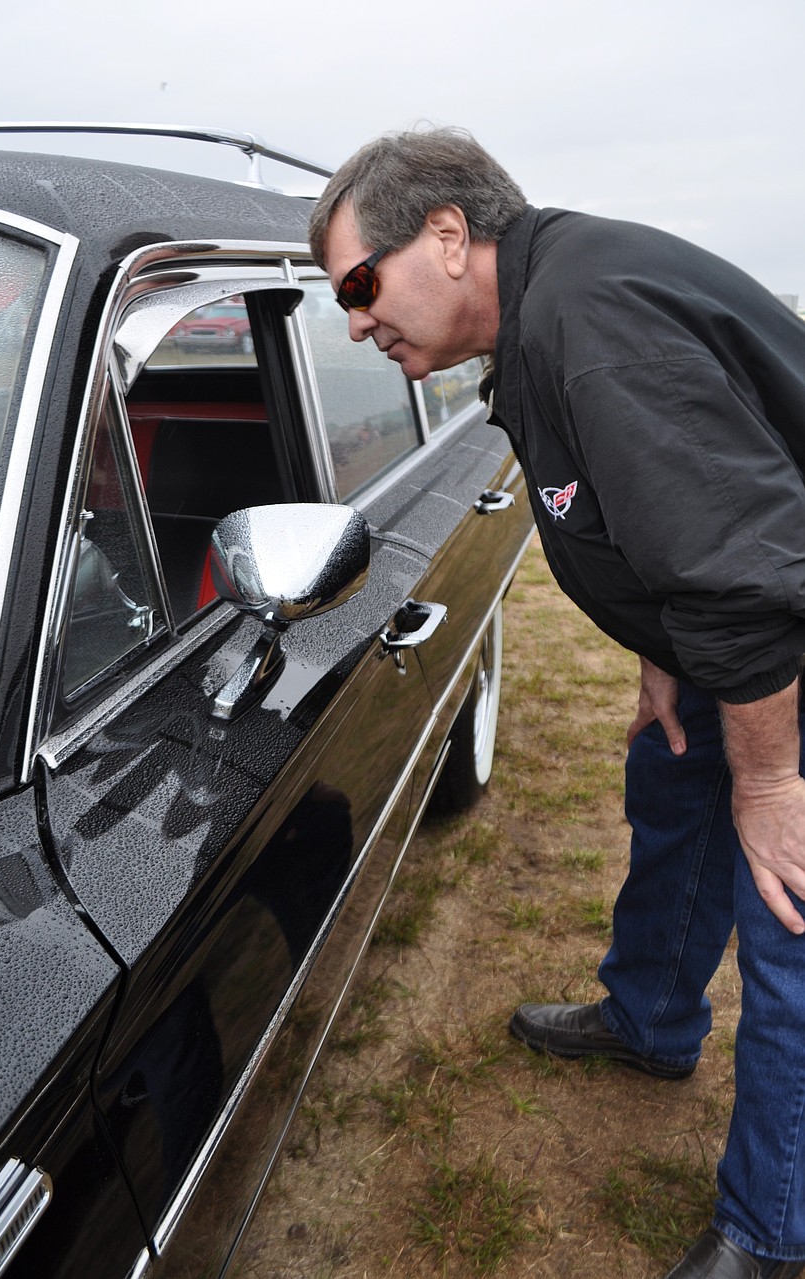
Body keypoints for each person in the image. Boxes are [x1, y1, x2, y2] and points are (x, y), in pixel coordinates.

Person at [308, 127, 805, 1279]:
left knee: (786, 896)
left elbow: (739, 569)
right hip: (724, 637)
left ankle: (774, 1230)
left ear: (445, 235)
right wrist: (658, 651)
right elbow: (663, 517)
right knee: (672, 785)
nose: (355, 324)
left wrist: (773, 779)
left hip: (778, 638)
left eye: (358, 286)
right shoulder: (545, 312)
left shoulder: (590, 322)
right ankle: (650, 1018)